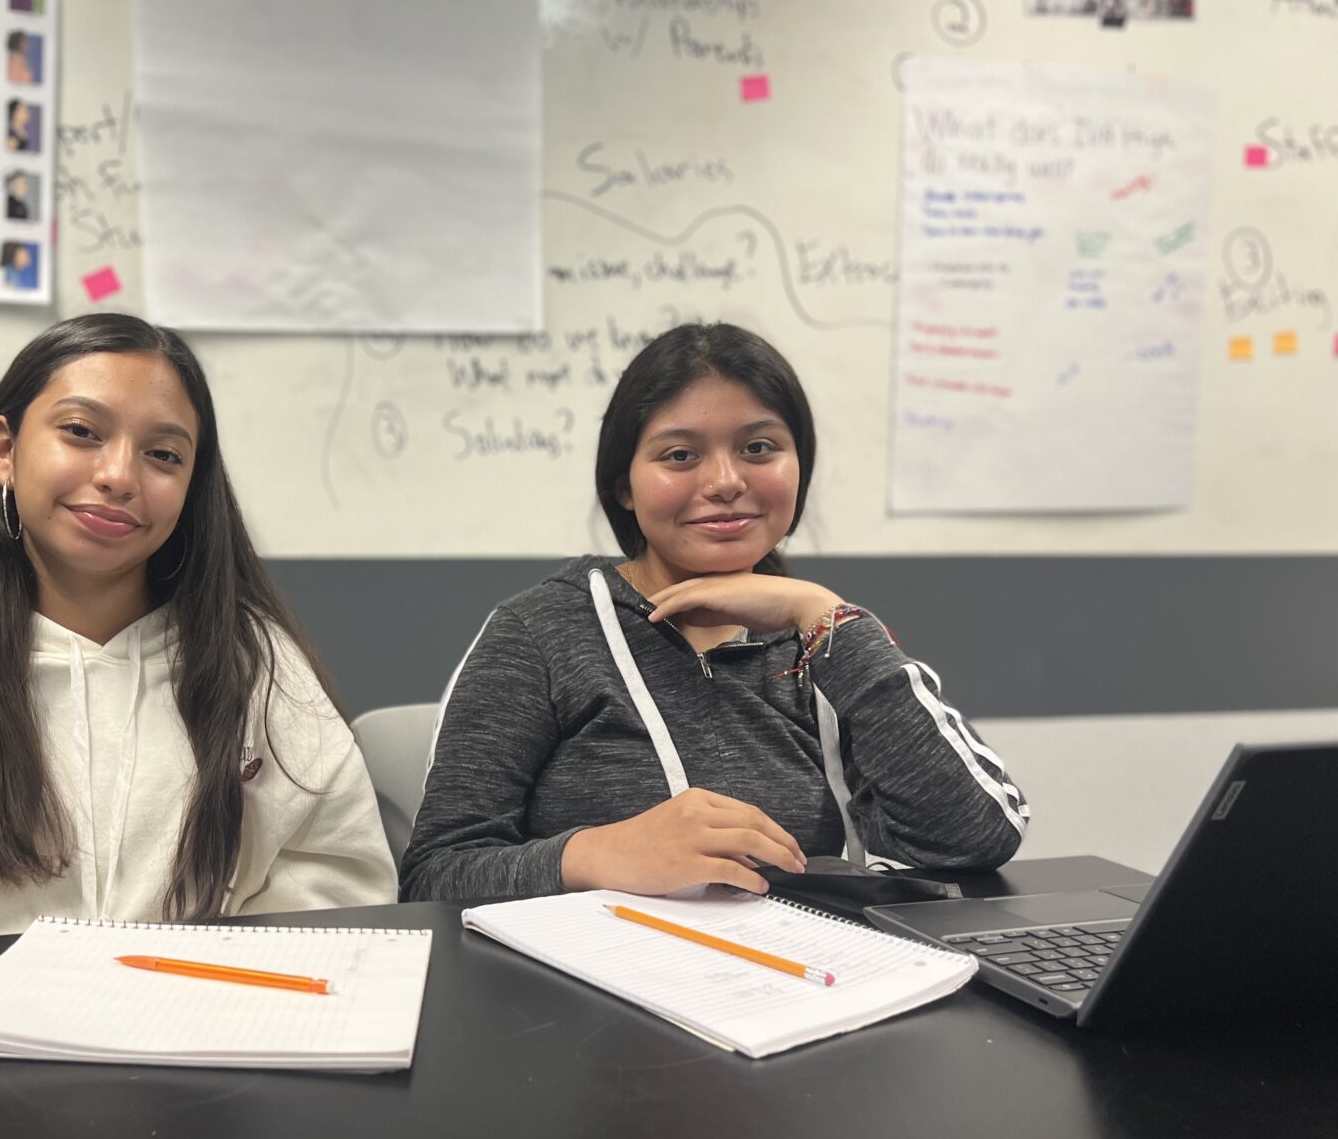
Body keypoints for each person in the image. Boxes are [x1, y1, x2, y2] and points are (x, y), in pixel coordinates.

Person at [0, 314, 397, 940]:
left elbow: (336, 878)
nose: (119, 476)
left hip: (205, 999)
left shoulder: (254, 666)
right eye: (81, 432)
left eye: (163, 455)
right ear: (5, 450)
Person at [402, 322, 1028, 903]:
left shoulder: (825, 638)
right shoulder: (541, 632)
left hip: (802, 971)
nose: (726, 481)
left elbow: (973, 839)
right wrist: (593, 854)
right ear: (623, 485)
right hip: (594, 979)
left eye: (759, 447)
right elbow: (435, 875)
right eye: (680, 455)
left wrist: (820, 614)